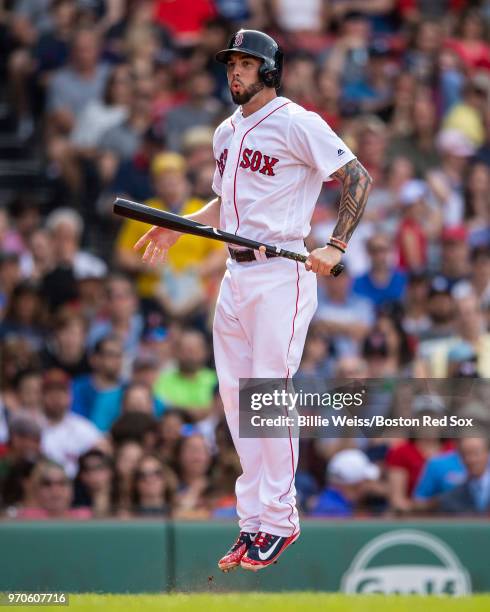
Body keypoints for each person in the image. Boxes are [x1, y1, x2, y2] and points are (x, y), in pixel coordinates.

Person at [134, 29, 371, 571]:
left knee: (269, 396)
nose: (234, 72)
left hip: (282, 271)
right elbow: (228, 202)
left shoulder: (296, 121)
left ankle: (281, 520)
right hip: (236, 274)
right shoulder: (224, 132)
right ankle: (254, 521)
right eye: (230, 64)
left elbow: (356, 175)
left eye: (244, 63)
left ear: (268, 69)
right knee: (240, 402)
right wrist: (179, 226)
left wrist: (335, 245)